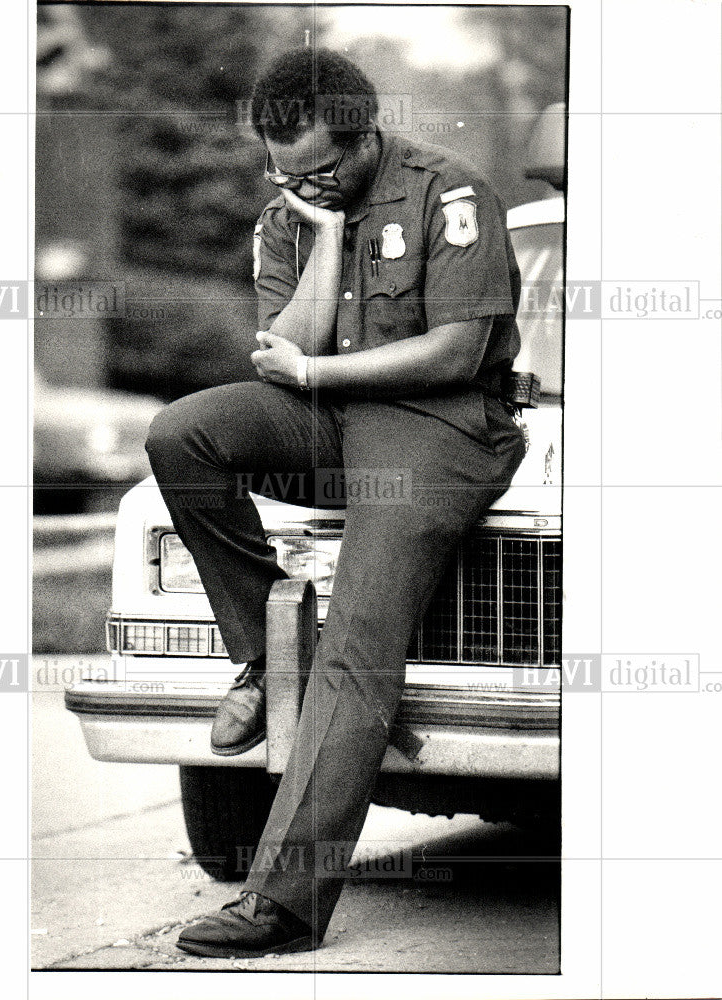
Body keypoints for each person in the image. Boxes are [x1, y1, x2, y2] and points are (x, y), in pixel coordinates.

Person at [145, 47, 527, 958]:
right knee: (183, 435)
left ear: (364, 140)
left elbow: (454, 354)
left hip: (438, 425)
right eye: (281, 170)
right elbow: (284, 343)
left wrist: (315, 372)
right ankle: (259, 657)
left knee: (361, 634)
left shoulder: (450, 191)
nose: (296, 182)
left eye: (317, 169)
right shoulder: (291, 210)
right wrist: (319, 231)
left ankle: (281, 903)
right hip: (330, 421)